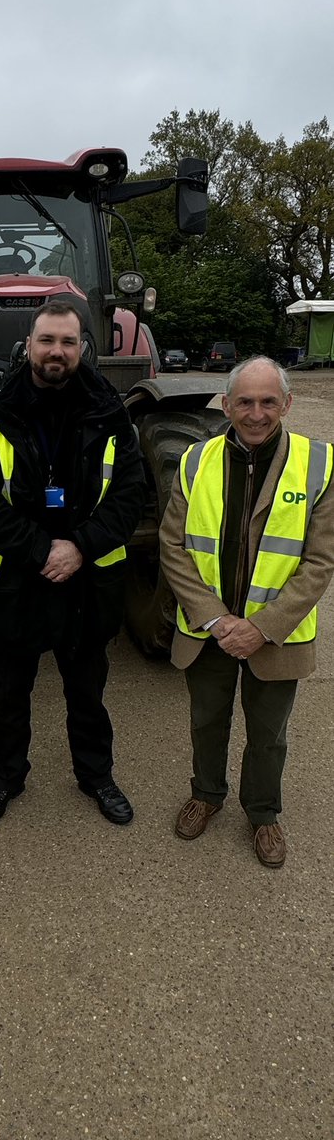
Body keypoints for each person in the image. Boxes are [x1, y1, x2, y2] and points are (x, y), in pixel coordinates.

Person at [0, 299, 146, 827]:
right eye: (48, 341)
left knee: (88, 693)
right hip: (17, 582)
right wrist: (43, 550)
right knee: (10, 695)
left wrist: (79, 547)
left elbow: (129, 495)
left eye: (68, 342)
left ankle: (97, 777)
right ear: (29, 346)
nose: (57, 352)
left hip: (88, 582)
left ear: (83, 348)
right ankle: (4, 780)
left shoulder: (112, 412)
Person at [159, 356, 334, 868]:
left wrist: (261, 627)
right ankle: (206, 795)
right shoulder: (196, 461)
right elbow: (173, 546)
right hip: (208, 630)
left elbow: (320, 562)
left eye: (267, 402)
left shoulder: (319, 464)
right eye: (245, 402)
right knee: (206, 721)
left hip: (278, 636)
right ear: (226, 405)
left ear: (287, 403)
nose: (256, 414)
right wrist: (215, 619)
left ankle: (263, 814)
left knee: (268, 734)